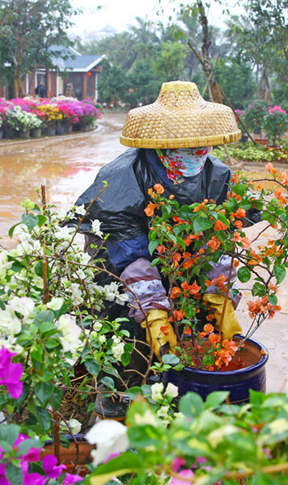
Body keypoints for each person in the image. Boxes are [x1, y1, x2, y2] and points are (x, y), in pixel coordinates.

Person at [74, 81, 252, 366]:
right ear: (161, 145)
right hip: (120, 277)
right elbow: (128, 251)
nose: (195, 153)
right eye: (184, 147)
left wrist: (220, 294)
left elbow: (219, 238)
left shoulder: (217, 176)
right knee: (122, 354)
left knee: (191, 348)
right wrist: (154, 312)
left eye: (201, 146)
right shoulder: (123, 177)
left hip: (180, 277)